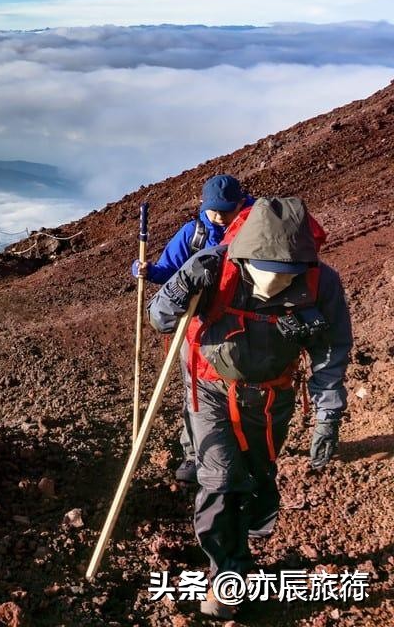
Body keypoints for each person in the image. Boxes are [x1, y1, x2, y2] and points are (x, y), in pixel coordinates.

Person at [148, 197, 351, 619]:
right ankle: (228, 576)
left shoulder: (320, 282)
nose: (275, 286)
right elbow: (160, 318)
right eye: (268, 274)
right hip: (211, 390)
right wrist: (182, 286)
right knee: (220, 481)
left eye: (287, 277)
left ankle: (254, 523)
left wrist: (328, 415)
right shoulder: (212, 265)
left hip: (272, 396)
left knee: (258, 477)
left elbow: (331, 351)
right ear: (244, 256)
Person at [131, 174, 253, 483]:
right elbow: (168, 270)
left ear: (241, 201)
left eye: (227, 209)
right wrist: (147, 270)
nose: (220, 216)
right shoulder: (194, 233)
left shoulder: (255, 227)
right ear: (203, 204)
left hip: (243, 325)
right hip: (197, 328)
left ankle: (244, 449)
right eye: (214, 210)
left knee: (245, 389)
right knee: (197, 392)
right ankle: (194, 453)